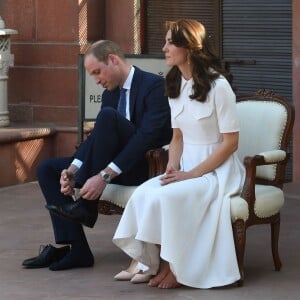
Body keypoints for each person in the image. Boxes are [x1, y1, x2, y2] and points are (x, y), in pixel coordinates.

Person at [112, 19, 246, 289]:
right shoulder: (175, 86)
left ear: (190, 47)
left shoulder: (219, 87)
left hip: (218, 172)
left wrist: (194, 174)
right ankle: (157, 263)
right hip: (186, 167)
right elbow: (177, 137)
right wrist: (172, 167)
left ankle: (178, 268)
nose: (164, 48)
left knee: (171, 197)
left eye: (170, 42)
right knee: (146, 193)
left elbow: (231, 143)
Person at [22, 40, 172, 271]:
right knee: (48, 169)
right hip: (109, 166)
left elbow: (145, 138)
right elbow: (95, 140)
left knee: (108, 117)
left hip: (145, 167)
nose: (96, 80)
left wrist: (104, 176)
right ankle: (78, 250)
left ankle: (86, 204)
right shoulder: (109, 95)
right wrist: (73, 169)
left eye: (97, 72)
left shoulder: (154, 86)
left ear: (113, 59)